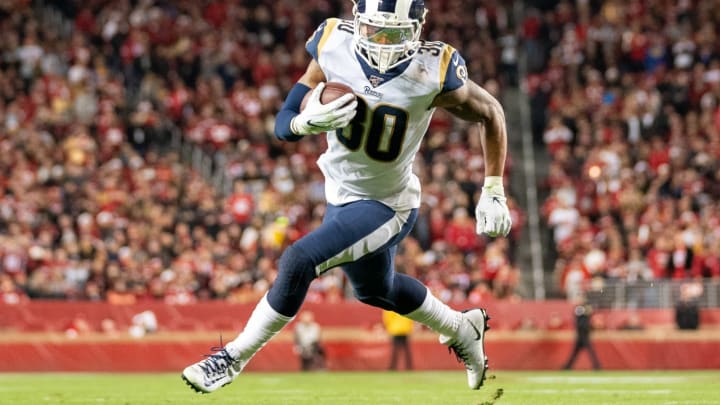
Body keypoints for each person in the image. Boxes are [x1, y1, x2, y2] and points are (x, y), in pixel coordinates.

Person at [182, 0, 512, 393]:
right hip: (340, 194)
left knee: (299, 259)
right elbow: (283, 122)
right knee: (376, 290)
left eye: (396, 34)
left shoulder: (433, 70)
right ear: (358, 23)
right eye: (376, 31)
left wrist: (493, 187)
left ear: (418, 30)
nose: (385, 43)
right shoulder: (333, 44)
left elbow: (490, 111)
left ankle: (232, 357)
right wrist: (303, 122)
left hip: (387, 203)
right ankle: (462, 326)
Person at [562, 303, 601, 370]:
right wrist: (586, 310)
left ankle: (597, 366)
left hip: (584, 335)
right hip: (581, 335)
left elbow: (590, 313)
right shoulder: (580, 309)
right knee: (575, 353)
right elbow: (578, 313)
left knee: (589, 352)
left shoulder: (586, 312)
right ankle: (567, 367)